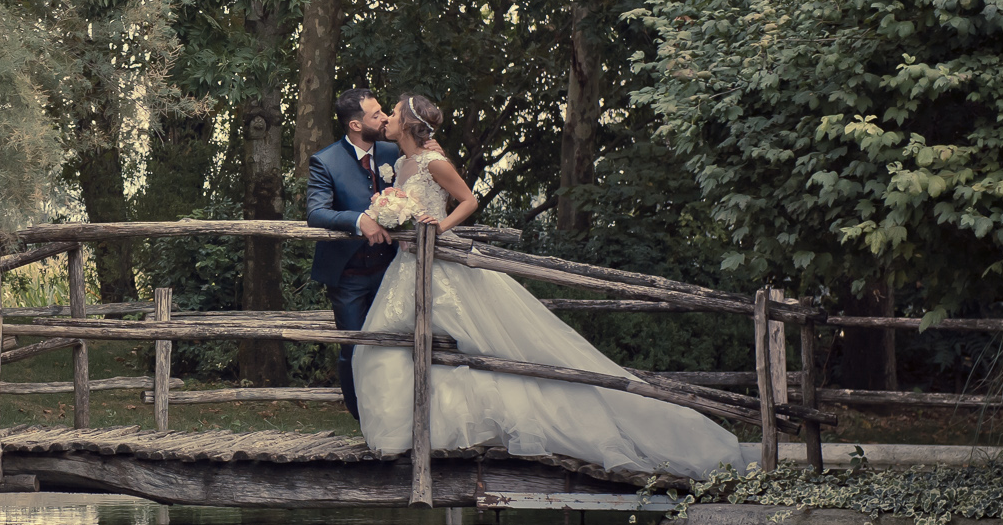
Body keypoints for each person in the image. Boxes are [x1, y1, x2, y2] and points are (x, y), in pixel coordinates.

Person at [352, 94, 740, 481]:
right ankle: (407, 431)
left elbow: (468, 200)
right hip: (406, 267)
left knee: (492, 344)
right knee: (380, 346)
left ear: (407, 123)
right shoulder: (400, 162)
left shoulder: (433, 162)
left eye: (393, 112)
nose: (387, 118)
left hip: (439, 265)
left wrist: (439, 228)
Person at [306, 88, 401, 419]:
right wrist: (359, 220)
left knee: (395, 345)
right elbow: (316, 212)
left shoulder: (393, 152)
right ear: (356, 125)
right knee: (353, 349)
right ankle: (361, 418)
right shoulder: (325, 161)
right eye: (376, 114)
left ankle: (392, 416)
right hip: (348, 276)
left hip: (392, 269)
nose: (385, 118)